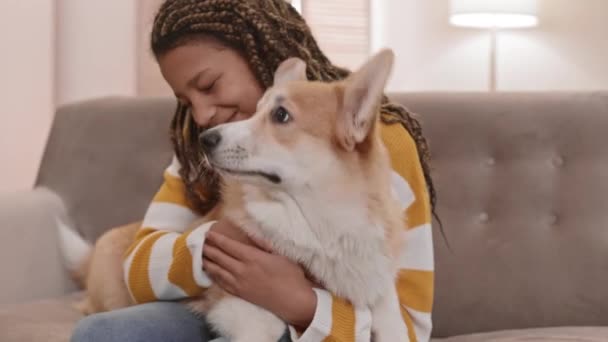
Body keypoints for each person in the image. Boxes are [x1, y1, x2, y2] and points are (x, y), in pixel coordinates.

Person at [71, 0, 436, 341]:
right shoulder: (204, 143)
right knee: (103, 333)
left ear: (259, 51)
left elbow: (408, 329)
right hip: (222, 305)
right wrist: (220, 246)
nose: (201, 116)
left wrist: (302, 304)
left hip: (322, 329)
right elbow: (137, 268)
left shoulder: (381, 144)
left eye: (210, 85)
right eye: (186, 101)